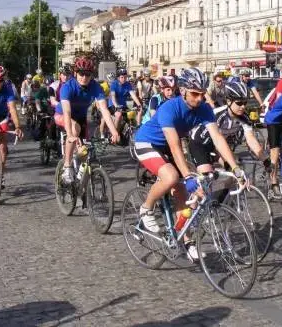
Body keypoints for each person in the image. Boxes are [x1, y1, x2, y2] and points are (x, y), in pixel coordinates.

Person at [133, 68, 246, 261]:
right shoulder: (170, 108)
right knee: (172, 177)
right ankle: (146, 208)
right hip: (147, 142)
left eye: (202, 94)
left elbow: (218, 138)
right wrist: (186, 175)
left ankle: (187, 241)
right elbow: (175, 146)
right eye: (195, 94)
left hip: (168, 147)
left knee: (184, 194)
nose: (200, 99)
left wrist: (235, 168)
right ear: (183, 90)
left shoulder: (204, 109)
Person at [56, 56, 120, 184]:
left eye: (87, 74)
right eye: (81, 74)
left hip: (81, 118)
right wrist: (69, 134)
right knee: (75, 129)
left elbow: (105, 110)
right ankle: (67, 166)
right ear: (75, 73)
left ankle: (82, 189)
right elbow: (67, 112)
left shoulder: (95, 87)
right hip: (62, 115)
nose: (84, 77)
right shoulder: (68, 87)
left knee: (85, 153)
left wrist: (114, 132)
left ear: (91, 75)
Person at [189, 80, 267, 174]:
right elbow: (217, 139)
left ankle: (228, 188)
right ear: (229, 101)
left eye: (245, 103)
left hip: (218, 146)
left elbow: (251, 139)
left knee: (235, 174)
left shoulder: (244, 118)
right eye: (239, 103)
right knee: (207, 176)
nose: (242, 106)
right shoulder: (218, 115)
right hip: (200, 144)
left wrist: (265, 159)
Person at [100, 68, 142, 138]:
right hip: (113, 105)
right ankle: (114, 134)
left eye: (125, 77)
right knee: (118, 115)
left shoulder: (128, 84)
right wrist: (116, 105)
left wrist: (139, 104)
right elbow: (113, 96)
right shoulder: (114, 84)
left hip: (123, 105)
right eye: (122, 77)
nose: (124, 79)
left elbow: (133, 95)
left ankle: (127, 132)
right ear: (118, 78)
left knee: (131, 116)